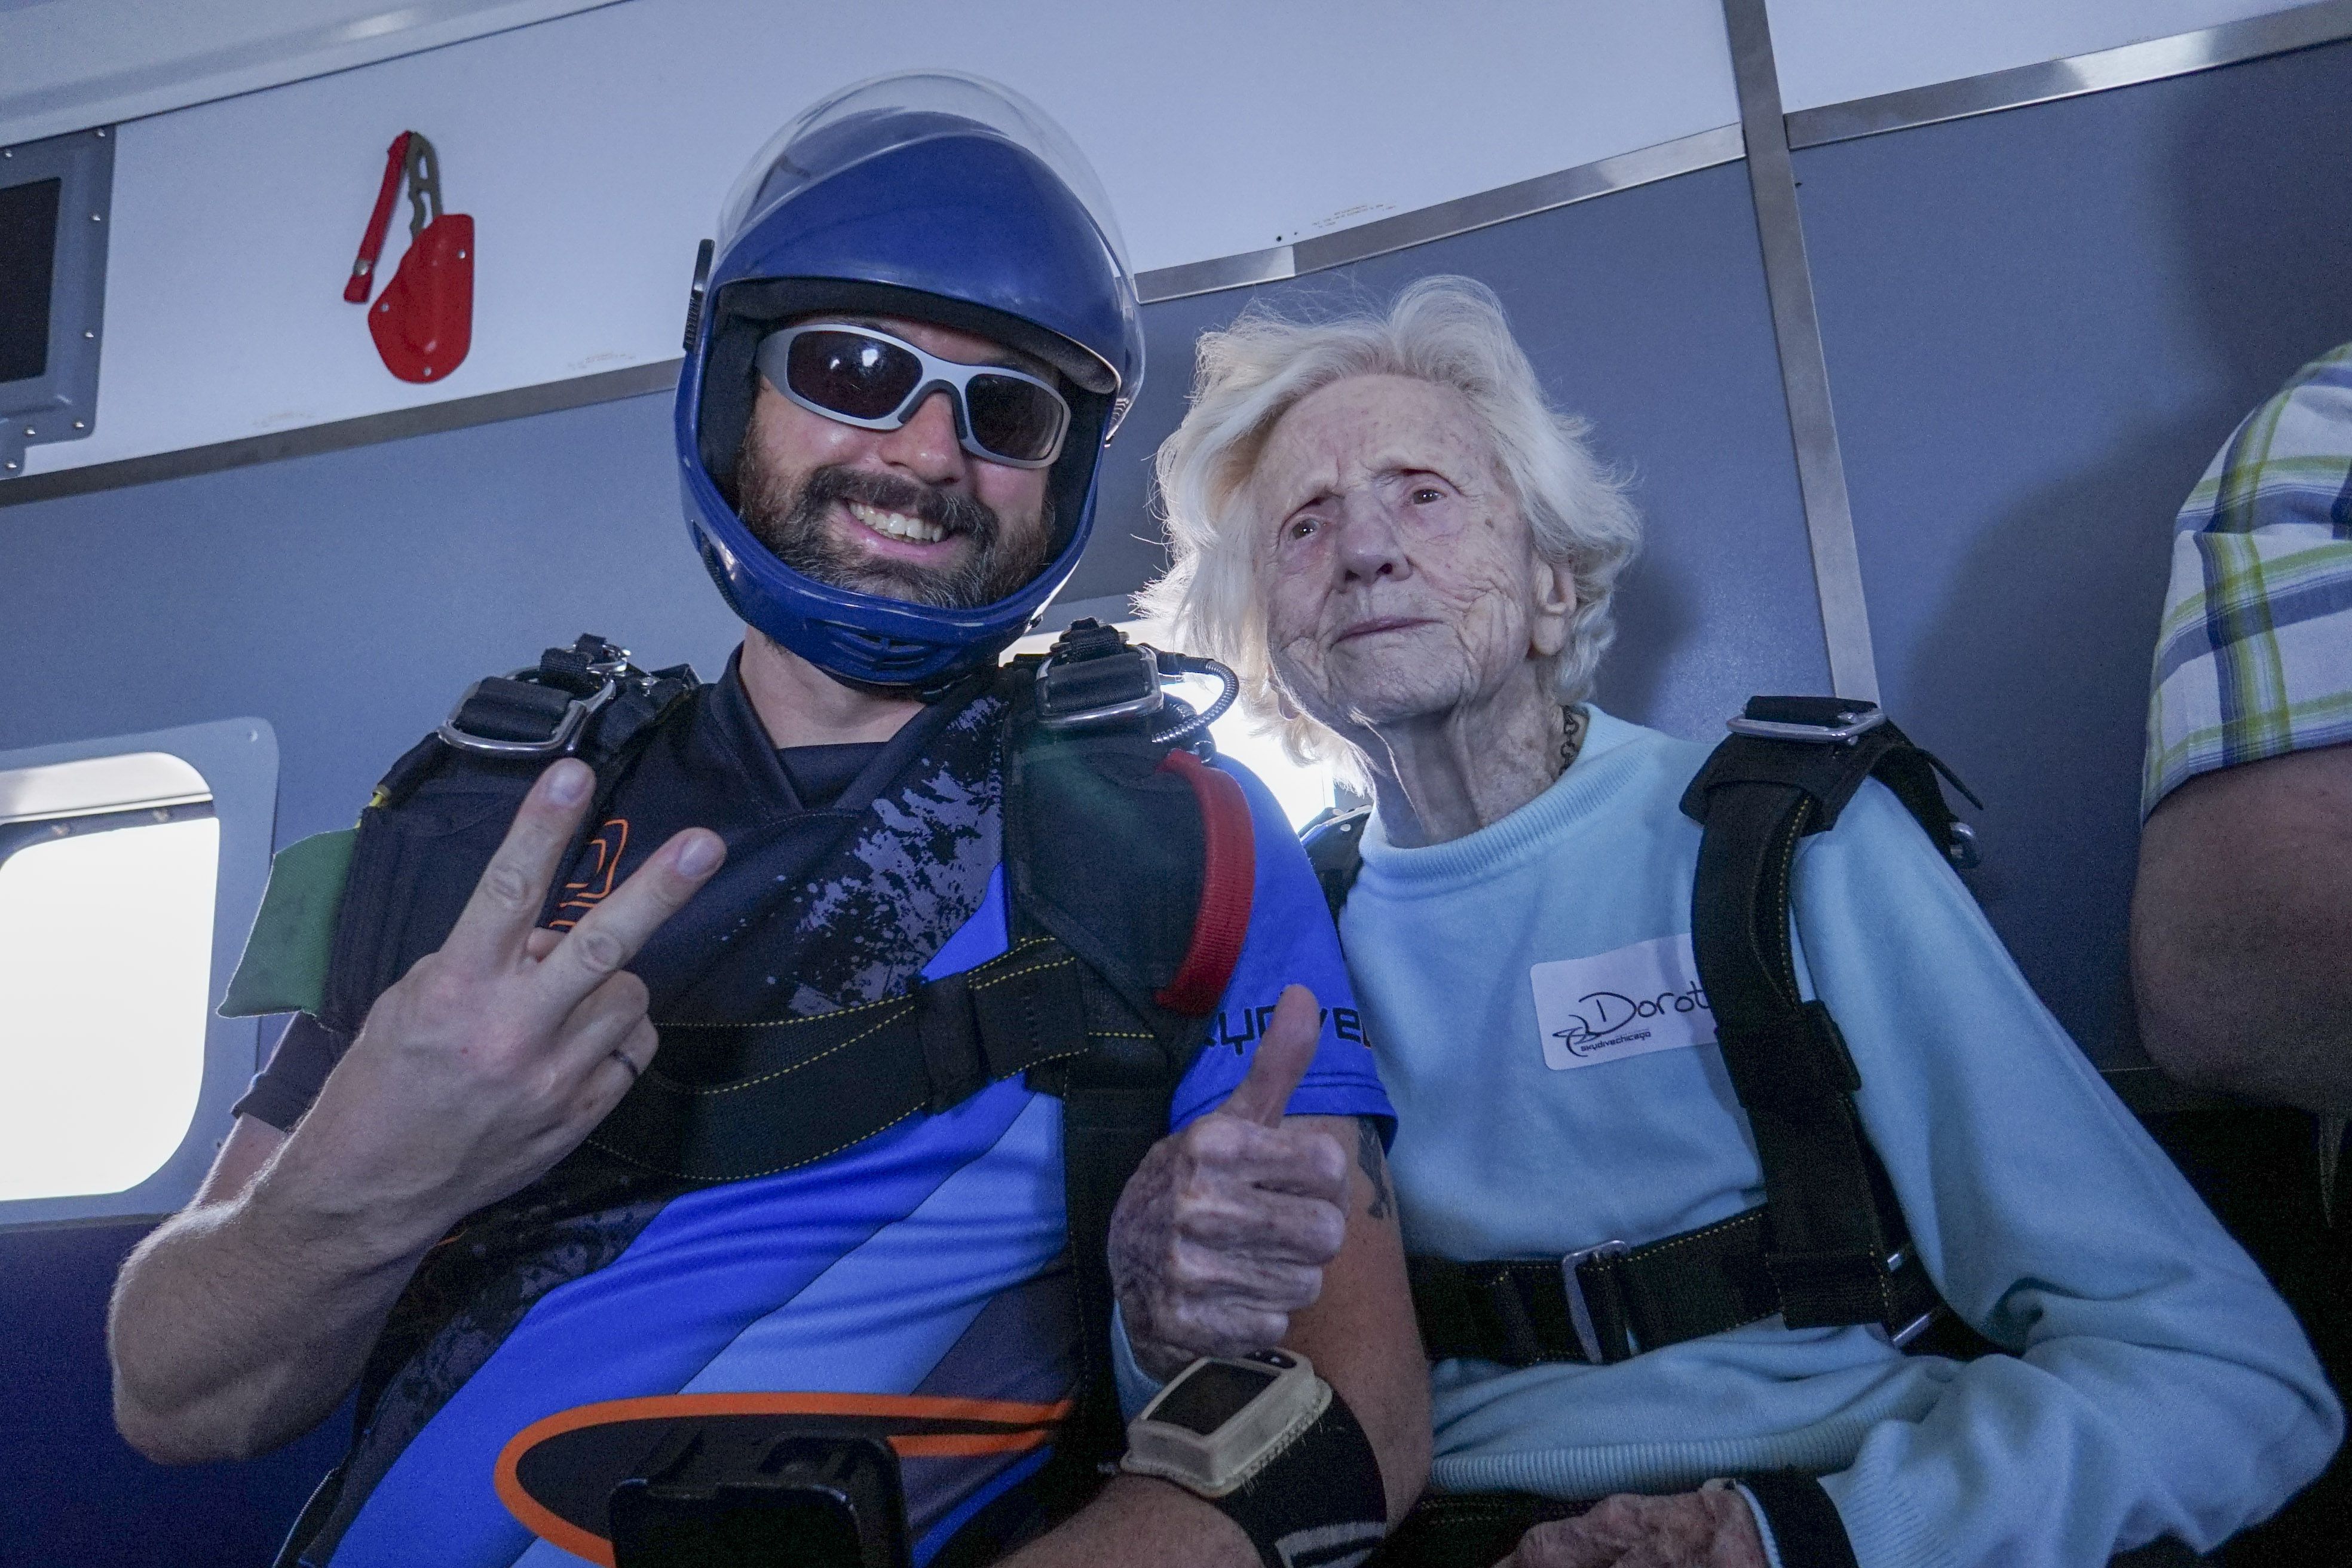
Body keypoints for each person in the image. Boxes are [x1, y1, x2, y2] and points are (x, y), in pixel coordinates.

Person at [106, 75, 1426, 1568]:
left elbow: (1359, 1418)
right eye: (855, 369)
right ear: (734, 388)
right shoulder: (488, 819)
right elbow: (173, 1393)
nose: (928, 456)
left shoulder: (1187, 840)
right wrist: (372, 1178)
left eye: (1004, 410)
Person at [1106, 276, 2341, 1567]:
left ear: (1549, 585)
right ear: (1273, 647)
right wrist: (1158, 1316)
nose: (1365, 549)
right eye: (1305, 526)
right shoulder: (1282, 933)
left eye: (1422, 492)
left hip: (1823, 1505)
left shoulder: (1786, 845)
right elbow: (1227, 1432)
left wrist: (1805, 1536)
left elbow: (2224, 1368)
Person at [2129, 339, 2352, 1562]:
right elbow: (2232, 982)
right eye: (1414, 493)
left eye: (1435, 494)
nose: (1418, 547)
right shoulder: (2332, 434)